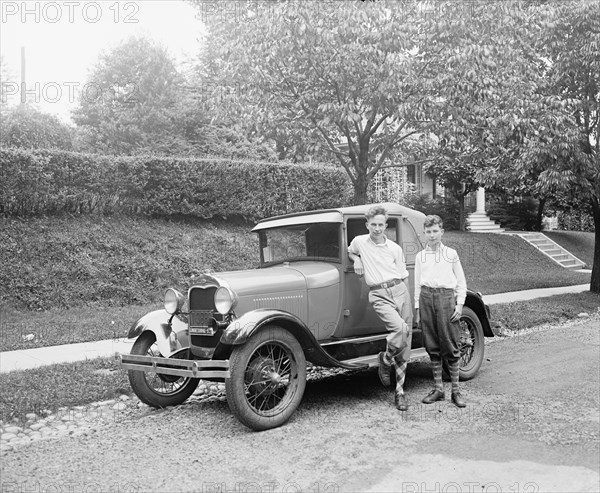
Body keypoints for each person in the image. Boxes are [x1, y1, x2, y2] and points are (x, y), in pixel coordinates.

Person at [348, 205, 413, 411]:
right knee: (399, 329)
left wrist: (409, 300)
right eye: (373, 224)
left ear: (386, 225)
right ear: (367, 225)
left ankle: (400, 392)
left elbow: (403, 275)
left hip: (400, 290)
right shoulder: (360, 242)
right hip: (378, 294)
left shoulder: (394, 248)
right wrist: (357, 258)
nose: (377, 228)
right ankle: (385, 359)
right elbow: (350, 251)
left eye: (381, 225)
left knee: (406, 342)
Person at [414, 214, 467, 408]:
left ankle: (456, 391)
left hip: (446, 298)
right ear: (424, 233)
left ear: (442, 232)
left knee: (450, 343)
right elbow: (417, 284)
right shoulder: (421, 256)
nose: (432, 235)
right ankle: (438, 389)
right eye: (428, 232)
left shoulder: (451, 254)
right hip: (426, 298)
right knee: (432, 344)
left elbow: (461, 282)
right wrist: (417, 308)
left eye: (435, 231)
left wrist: (459, 305)